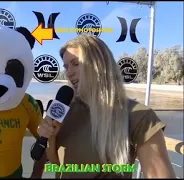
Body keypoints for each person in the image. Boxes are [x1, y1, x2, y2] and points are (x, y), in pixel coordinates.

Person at [37, 35, 176, 178]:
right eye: (66, 66)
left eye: (76, 63)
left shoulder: (138, 116)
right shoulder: (66, 111)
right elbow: (58, 165)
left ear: (99, 65)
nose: (69, 72)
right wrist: (51, 137)